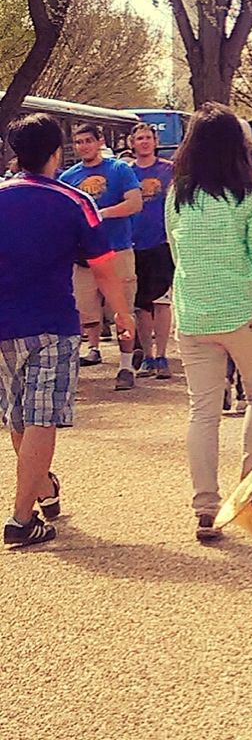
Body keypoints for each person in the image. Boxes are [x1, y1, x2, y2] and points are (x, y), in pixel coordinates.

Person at [0, 115, 135, 547]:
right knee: (41, 417)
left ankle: (41, 489)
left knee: (17, 415)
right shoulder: (75, 201)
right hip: (54, 323)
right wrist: (122, 314)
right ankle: (22, 518)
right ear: (57, 153)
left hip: (4, 323)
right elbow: (104, 269)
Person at [165, 103, 252, 542]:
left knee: (203, 411)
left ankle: (205, 503)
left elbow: (177, 254)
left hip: (194, 314)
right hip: (244, 313)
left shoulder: (178, 193)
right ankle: (248, 493)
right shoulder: (248, 196)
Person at [59, 122, 142, 387]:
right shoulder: (68, 178)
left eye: (88, 141)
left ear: (100, 141)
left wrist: (101, 213)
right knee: (84, 311)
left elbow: (135, 203)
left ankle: (127, 366)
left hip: (117, 249)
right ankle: (92, 350)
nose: (84, 146)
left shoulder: (120, 170)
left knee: (122, 311)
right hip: (83, 257)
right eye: (79, 142)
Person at [127, 123, 175, 379]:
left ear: (155, 141)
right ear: (131, 143)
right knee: (141, 305)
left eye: (148, 138)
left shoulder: (170, 170)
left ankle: (163, 355)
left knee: (162, 301)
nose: (144, 142)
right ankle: (147, 356)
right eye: (139, 138)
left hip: (162, 244)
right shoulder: (126, 172)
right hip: (133, 245)